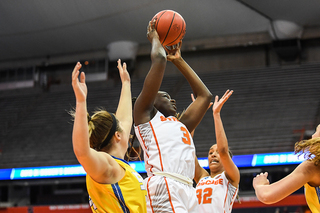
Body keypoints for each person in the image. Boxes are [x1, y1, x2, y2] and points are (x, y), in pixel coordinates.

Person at [133, 20, 212, 213]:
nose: (173, 100)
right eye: (166, 96)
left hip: (187, 187)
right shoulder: (145, 115)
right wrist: (155, 39)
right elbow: (159, 59)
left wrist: (178, 60)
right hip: (164, 182)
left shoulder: (180, 124)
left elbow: (205, 96)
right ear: (152, 102)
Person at [71, 60, 147, 213]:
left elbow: (125, 119)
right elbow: (82, 152)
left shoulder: (117, 164)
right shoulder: (107, 165)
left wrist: (126, 83)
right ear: (118, 136)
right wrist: (81, 102)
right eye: (123, 130)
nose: (128, 130)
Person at [253, 124, 320, 213]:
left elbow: (266, 195)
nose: (312, 135)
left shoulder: (313, 166)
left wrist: (259, 185)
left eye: (317, 131)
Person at [194, 90, 240, 213]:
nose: (213, 154)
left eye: (216, 152)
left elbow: (224, 151)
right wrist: (194, 117)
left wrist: (216, 114)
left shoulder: (230, 177)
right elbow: (188, 153)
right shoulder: (202, 177)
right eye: (210, 153)